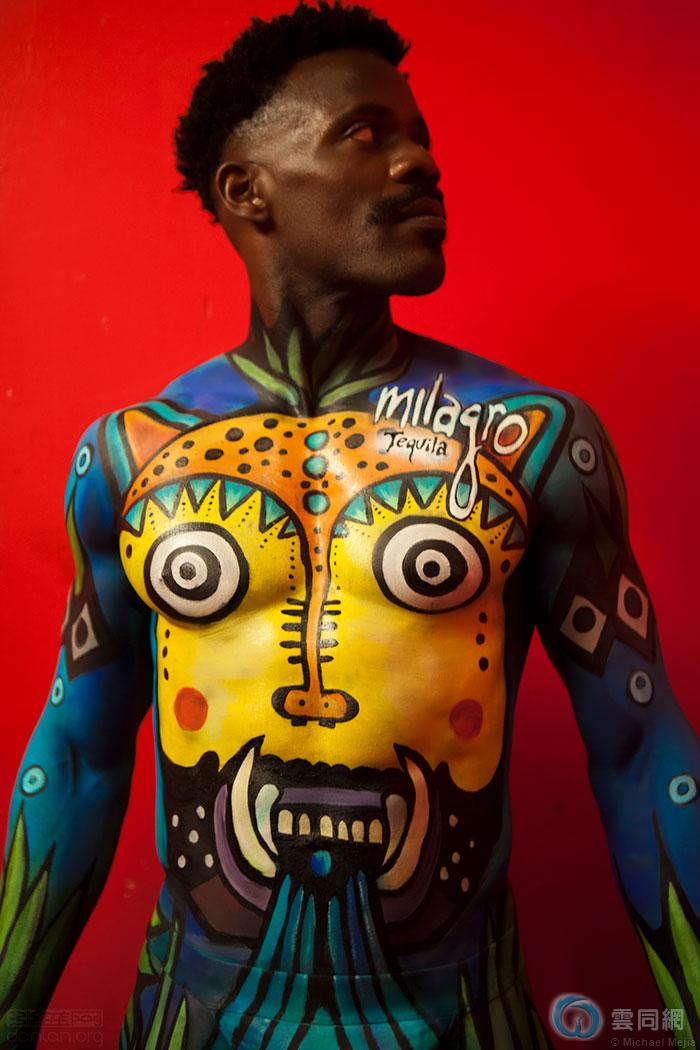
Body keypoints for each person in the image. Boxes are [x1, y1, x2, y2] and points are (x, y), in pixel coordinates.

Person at [1, 2, 698, 1047]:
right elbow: (79, 754)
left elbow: (642, 752)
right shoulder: (130, 459)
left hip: (460, 1021)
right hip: (193, 1020)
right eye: (366, 134)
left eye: (420, 137)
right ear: (247, 191)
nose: (421, 163)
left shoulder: (533, 441)